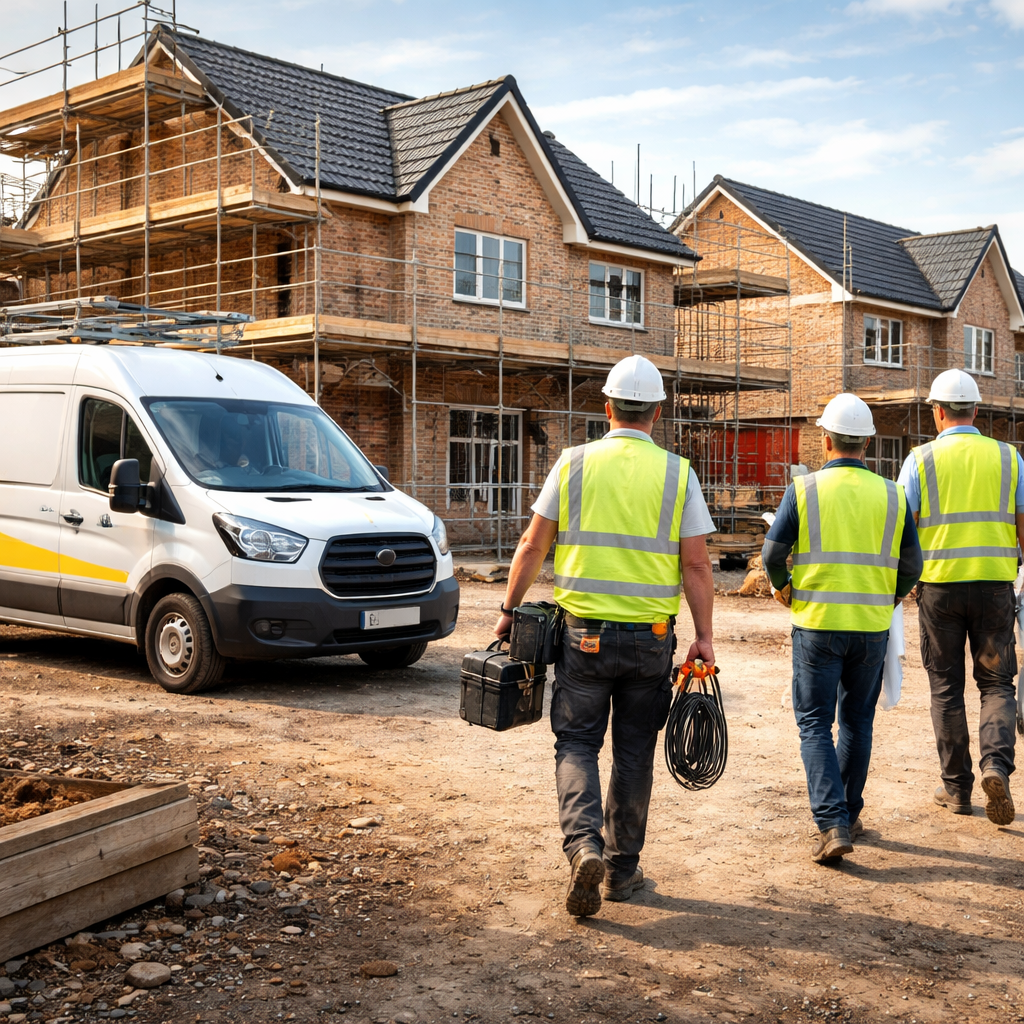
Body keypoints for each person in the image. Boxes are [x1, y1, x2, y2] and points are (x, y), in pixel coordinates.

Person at [493, 355, 716, 918]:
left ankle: (583, 846)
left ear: (608, 407)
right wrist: (704, 638)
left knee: (576, 743)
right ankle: (620, 871)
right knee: (635, 753)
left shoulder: (572, 465)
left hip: (583, 638)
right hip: (650, 639)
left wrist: (507, 609)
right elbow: (696, 567)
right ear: (658, 412)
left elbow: (531, 546)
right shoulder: (678, 472)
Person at [762, 394, 922, 862]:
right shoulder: (893, 493)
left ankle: (832, 823)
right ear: (867, 443)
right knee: (857, 721)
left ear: (826, 440)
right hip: (871, 627)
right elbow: (912, 565)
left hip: (817, 624)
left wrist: (783, 589)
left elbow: (773, 555)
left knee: (814, 722)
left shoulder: (805, 489)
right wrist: (888, 596)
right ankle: (848, 815)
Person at [896, 369, 1023, 826]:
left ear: (937, 411)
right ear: (976, 410)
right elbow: (1022, 528)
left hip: (940, 589)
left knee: (946, 688)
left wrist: (906, 582)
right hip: (994, 587)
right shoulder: (1010, 459)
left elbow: (902, 532)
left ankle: (956, 788)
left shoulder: (920, 460)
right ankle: (995, 767)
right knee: (997, 684)